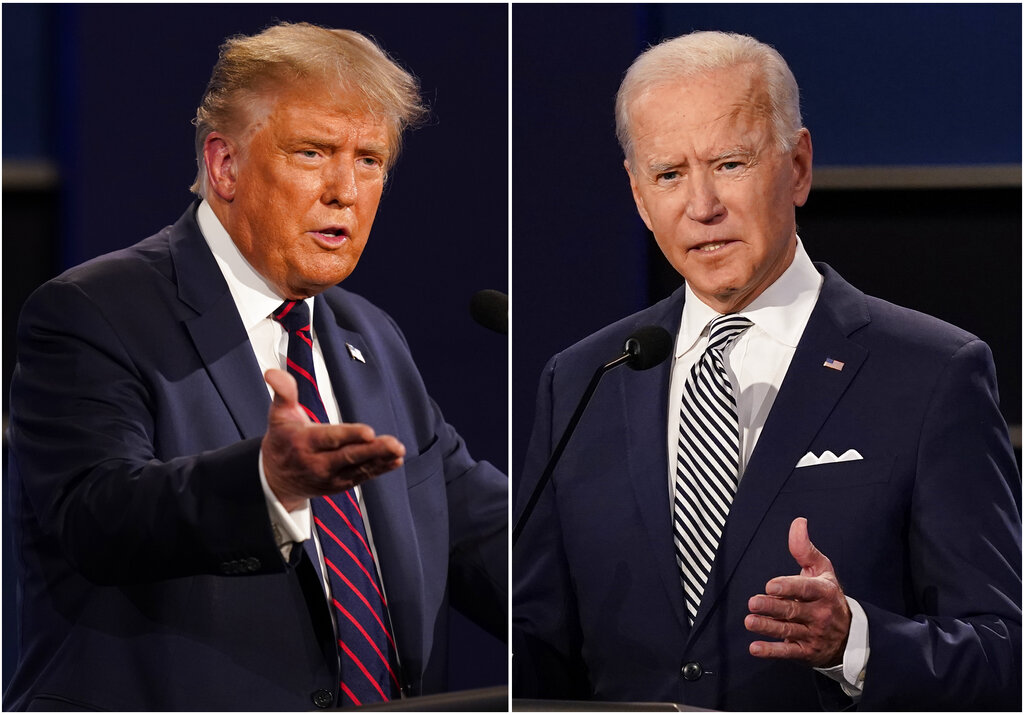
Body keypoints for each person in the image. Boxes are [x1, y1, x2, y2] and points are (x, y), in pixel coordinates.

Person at [5, 22, 506, 711]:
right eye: (313, 152)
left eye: (370, 160)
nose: (345, 190)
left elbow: (483, 534)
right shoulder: (93, 312)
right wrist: (267, 483)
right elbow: (97, 514)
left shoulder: (371, 336)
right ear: (226, 165)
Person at [512, 30, 1020, 710]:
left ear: (799, 166)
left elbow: (1003, 654)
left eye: (729, 163)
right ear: (638, 196)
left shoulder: (933, 373)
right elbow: (540, 646)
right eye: (669, 174)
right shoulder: (584, 378)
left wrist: (854, 642)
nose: (701, 206)